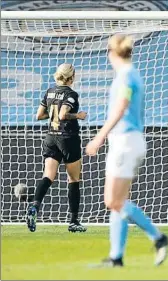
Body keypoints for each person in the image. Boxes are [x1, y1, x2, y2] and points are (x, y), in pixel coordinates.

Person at [86, 34, 168, 267]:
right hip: (129, 140)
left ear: (111, 53)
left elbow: (121, 108)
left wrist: (99, 136)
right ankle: (116, 256)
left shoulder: (126, 76)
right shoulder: (132, 74)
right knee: (118, 202)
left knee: (113, 200)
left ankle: (159, 237)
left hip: (125, 140)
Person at [26, 63, 87, 233]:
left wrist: (53, 115)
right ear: (71, 77)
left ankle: (35, 207)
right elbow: (62, 115)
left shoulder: (49, 91)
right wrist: (78, 116)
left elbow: (39, 115)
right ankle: (74, 221)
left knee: (48, 175)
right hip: (68, 138)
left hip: (51, 137)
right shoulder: (71, 94)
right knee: (73, 179)